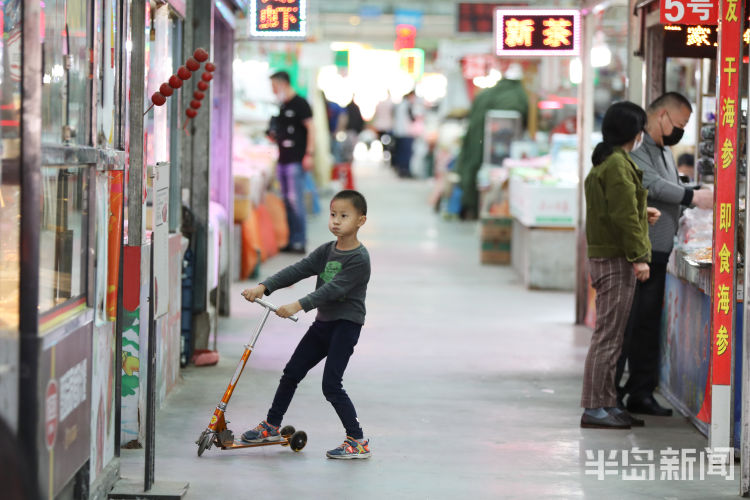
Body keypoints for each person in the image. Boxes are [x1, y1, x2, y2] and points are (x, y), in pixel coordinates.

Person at [240, 190, 372, 459]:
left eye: (344, 216)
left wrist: (297, 305)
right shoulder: (327, 250)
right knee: (292, 372)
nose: (336, 221)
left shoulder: (359, 259)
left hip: (346, 326)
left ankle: (357, 440)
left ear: (361, 220)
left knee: (331, 385)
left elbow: (333, 290)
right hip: (323, 324)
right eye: (333, 214)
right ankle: (272, 426)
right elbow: (298, 269)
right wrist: (264, 287)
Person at [615, 93, 712, 417]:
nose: (680, 130)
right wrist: (693, 195)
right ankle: (622, 394)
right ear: (662, 117)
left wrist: (692, 190)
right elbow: (655, 186)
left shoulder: (664, 151)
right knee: (635, 325)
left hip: (660, 249)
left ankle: (641, 390)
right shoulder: (639, 151)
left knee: (647, 325)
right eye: (680, 124)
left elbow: (671, 185)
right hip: (645, 251)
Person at [581, 101, 659, 430]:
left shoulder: (611, 161)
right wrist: (640, 257)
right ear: (634, 133)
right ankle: (596, 407)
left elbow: (619, 210)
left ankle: (606, 403)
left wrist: (644, 213)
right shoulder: (616, 164)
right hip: (616, 260)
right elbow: (623, 217)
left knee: (611, 337)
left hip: (609, 255)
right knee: (609, 337)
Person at [455, 63, 529, 219]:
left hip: (476, 139)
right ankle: (482, 212)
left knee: (474, 168)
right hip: (502, 144)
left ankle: (470, 207)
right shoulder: (519, 95)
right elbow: (525, 122)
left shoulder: (484, 94)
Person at [269, 70, 315, 254]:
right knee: (287, 201)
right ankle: (291, 239)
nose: (272, 90)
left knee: (296, 201)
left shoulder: (301, 104)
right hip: (283, 158)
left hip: (296, 159)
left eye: (273, 85)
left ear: (282, 83)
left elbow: (311, 128)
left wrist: (309, 153)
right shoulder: (282, 105)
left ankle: (300, 240)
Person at [392, 90, 419, 178]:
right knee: (406, 153)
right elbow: (412, 118)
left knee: (401, 152)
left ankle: (401, 170)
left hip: (399, 132)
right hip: (406, 133)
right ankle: (405, 171)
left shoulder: (400, 105)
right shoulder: (407, 105)